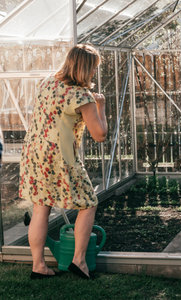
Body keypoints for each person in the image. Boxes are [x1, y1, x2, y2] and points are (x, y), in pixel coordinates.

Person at [19, 44, 107, 280]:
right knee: (88, 203)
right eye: (94, 69)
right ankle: (79, 261)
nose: (94, 74)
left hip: (35, 153)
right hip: (61, 158)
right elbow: (100, 134)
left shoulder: (48, 82)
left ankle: (38, 265)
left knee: (41, 207)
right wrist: (101, 107)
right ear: (86, 68)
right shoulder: (82, 96)